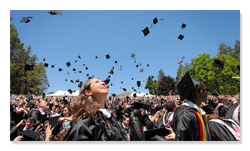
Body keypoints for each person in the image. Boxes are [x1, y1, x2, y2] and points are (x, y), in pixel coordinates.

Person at [173, 71, 211, 141]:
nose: (207, 92)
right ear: (201, 92)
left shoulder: (196, 111)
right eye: (206, 89)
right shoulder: (185, 114)